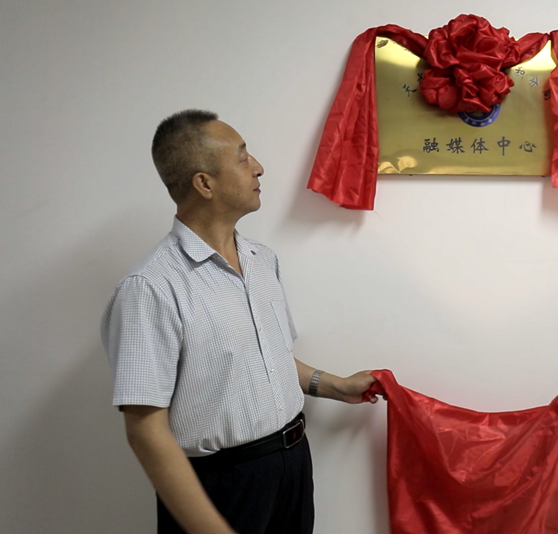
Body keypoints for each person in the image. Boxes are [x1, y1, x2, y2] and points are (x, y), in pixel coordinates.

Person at [101, 109, 378, 534]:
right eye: (243, 157)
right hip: (222, 486)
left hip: (293, 467)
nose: (258, 167)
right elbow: (145, 431)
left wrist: (335, 386)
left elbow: (268, 359)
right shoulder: (150, 287)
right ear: (204, 183)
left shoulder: (261, 260)